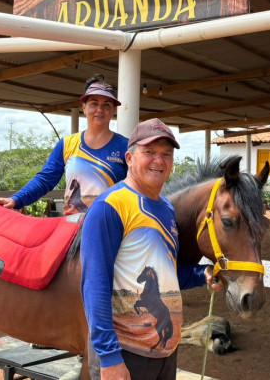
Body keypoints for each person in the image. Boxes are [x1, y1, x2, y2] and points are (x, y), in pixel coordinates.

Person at [80, 118, 220, 380]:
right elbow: (94, 287)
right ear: (130, 157)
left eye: (167, 154)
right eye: (150, 152)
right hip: (125, 352)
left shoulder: (166, 209)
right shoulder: (109, 207)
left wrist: (202, 275)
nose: (159, 160)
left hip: (164, 351)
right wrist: (109, 358)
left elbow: (167, 273)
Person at [0, 75, 128, 215]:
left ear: (113, 110)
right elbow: (45, 179)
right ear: (84, 107)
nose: (99, 110)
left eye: (106, 105)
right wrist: (16, 199)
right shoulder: (67, 144)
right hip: (73, 227)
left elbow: (139, 188)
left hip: (112, 226)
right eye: (94, 103)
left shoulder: (126, 146)